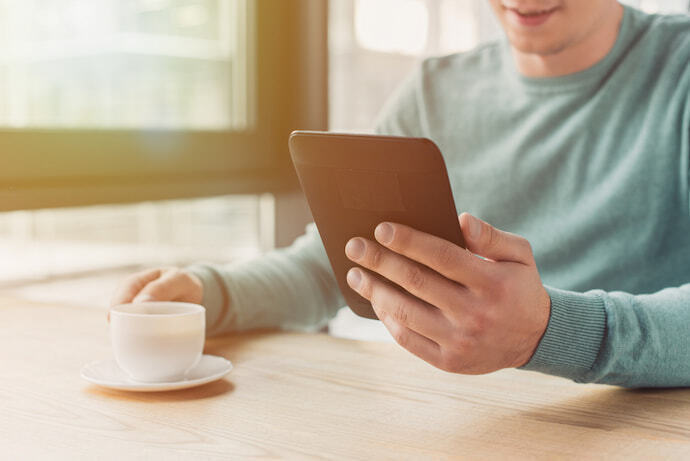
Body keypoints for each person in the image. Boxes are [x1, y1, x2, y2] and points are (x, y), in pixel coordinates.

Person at [112, 0, 690, 387]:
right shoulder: (435, 92)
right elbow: (340, 264)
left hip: (626, 427)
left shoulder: (678, 69)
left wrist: (545, 332)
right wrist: (212, 294)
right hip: (460, 425)